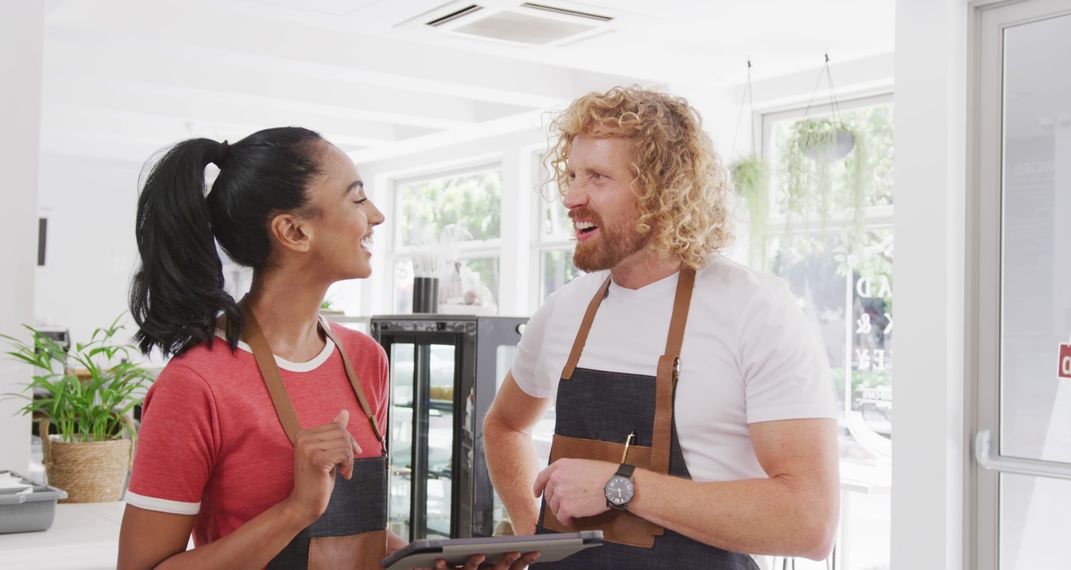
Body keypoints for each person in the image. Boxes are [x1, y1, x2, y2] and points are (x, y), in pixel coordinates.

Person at [118, 127, 532, 570]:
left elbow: (346, 537)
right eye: (357, 199)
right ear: (294, 230)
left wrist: (417, 558)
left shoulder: (365, 359)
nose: (376, 215)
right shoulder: (196, 383)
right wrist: (296, 510)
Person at [483, 87, 840, 569]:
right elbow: (504, 425)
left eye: (598, 177)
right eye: (571, 175)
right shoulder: (564, 310)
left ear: (661, 191)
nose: (570, 197)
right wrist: (537, 537)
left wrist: (620, 486)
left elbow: (809, 523)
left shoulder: (754, 309)